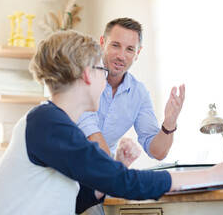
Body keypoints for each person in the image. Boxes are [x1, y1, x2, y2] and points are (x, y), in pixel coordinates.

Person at [0, 30, 223, 215]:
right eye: (102, 70)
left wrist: (116, 167)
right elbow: (124, 183)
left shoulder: (49, 121)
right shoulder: (47, 122)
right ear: (88, 74)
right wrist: (211, 174)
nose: (105, 80)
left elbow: (74, 201)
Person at [78, 17, 185, 161]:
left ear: (137, 53)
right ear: (102, 43)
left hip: (99, 172)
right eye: (115, 45)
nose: (121, 56)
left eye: (130, 49)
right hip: (61, 169)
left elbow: (157, 152)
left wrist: (169, 124)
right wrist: (118, 173)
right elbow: (92, 136)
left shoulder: (139, 94)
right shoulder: (83, 77)